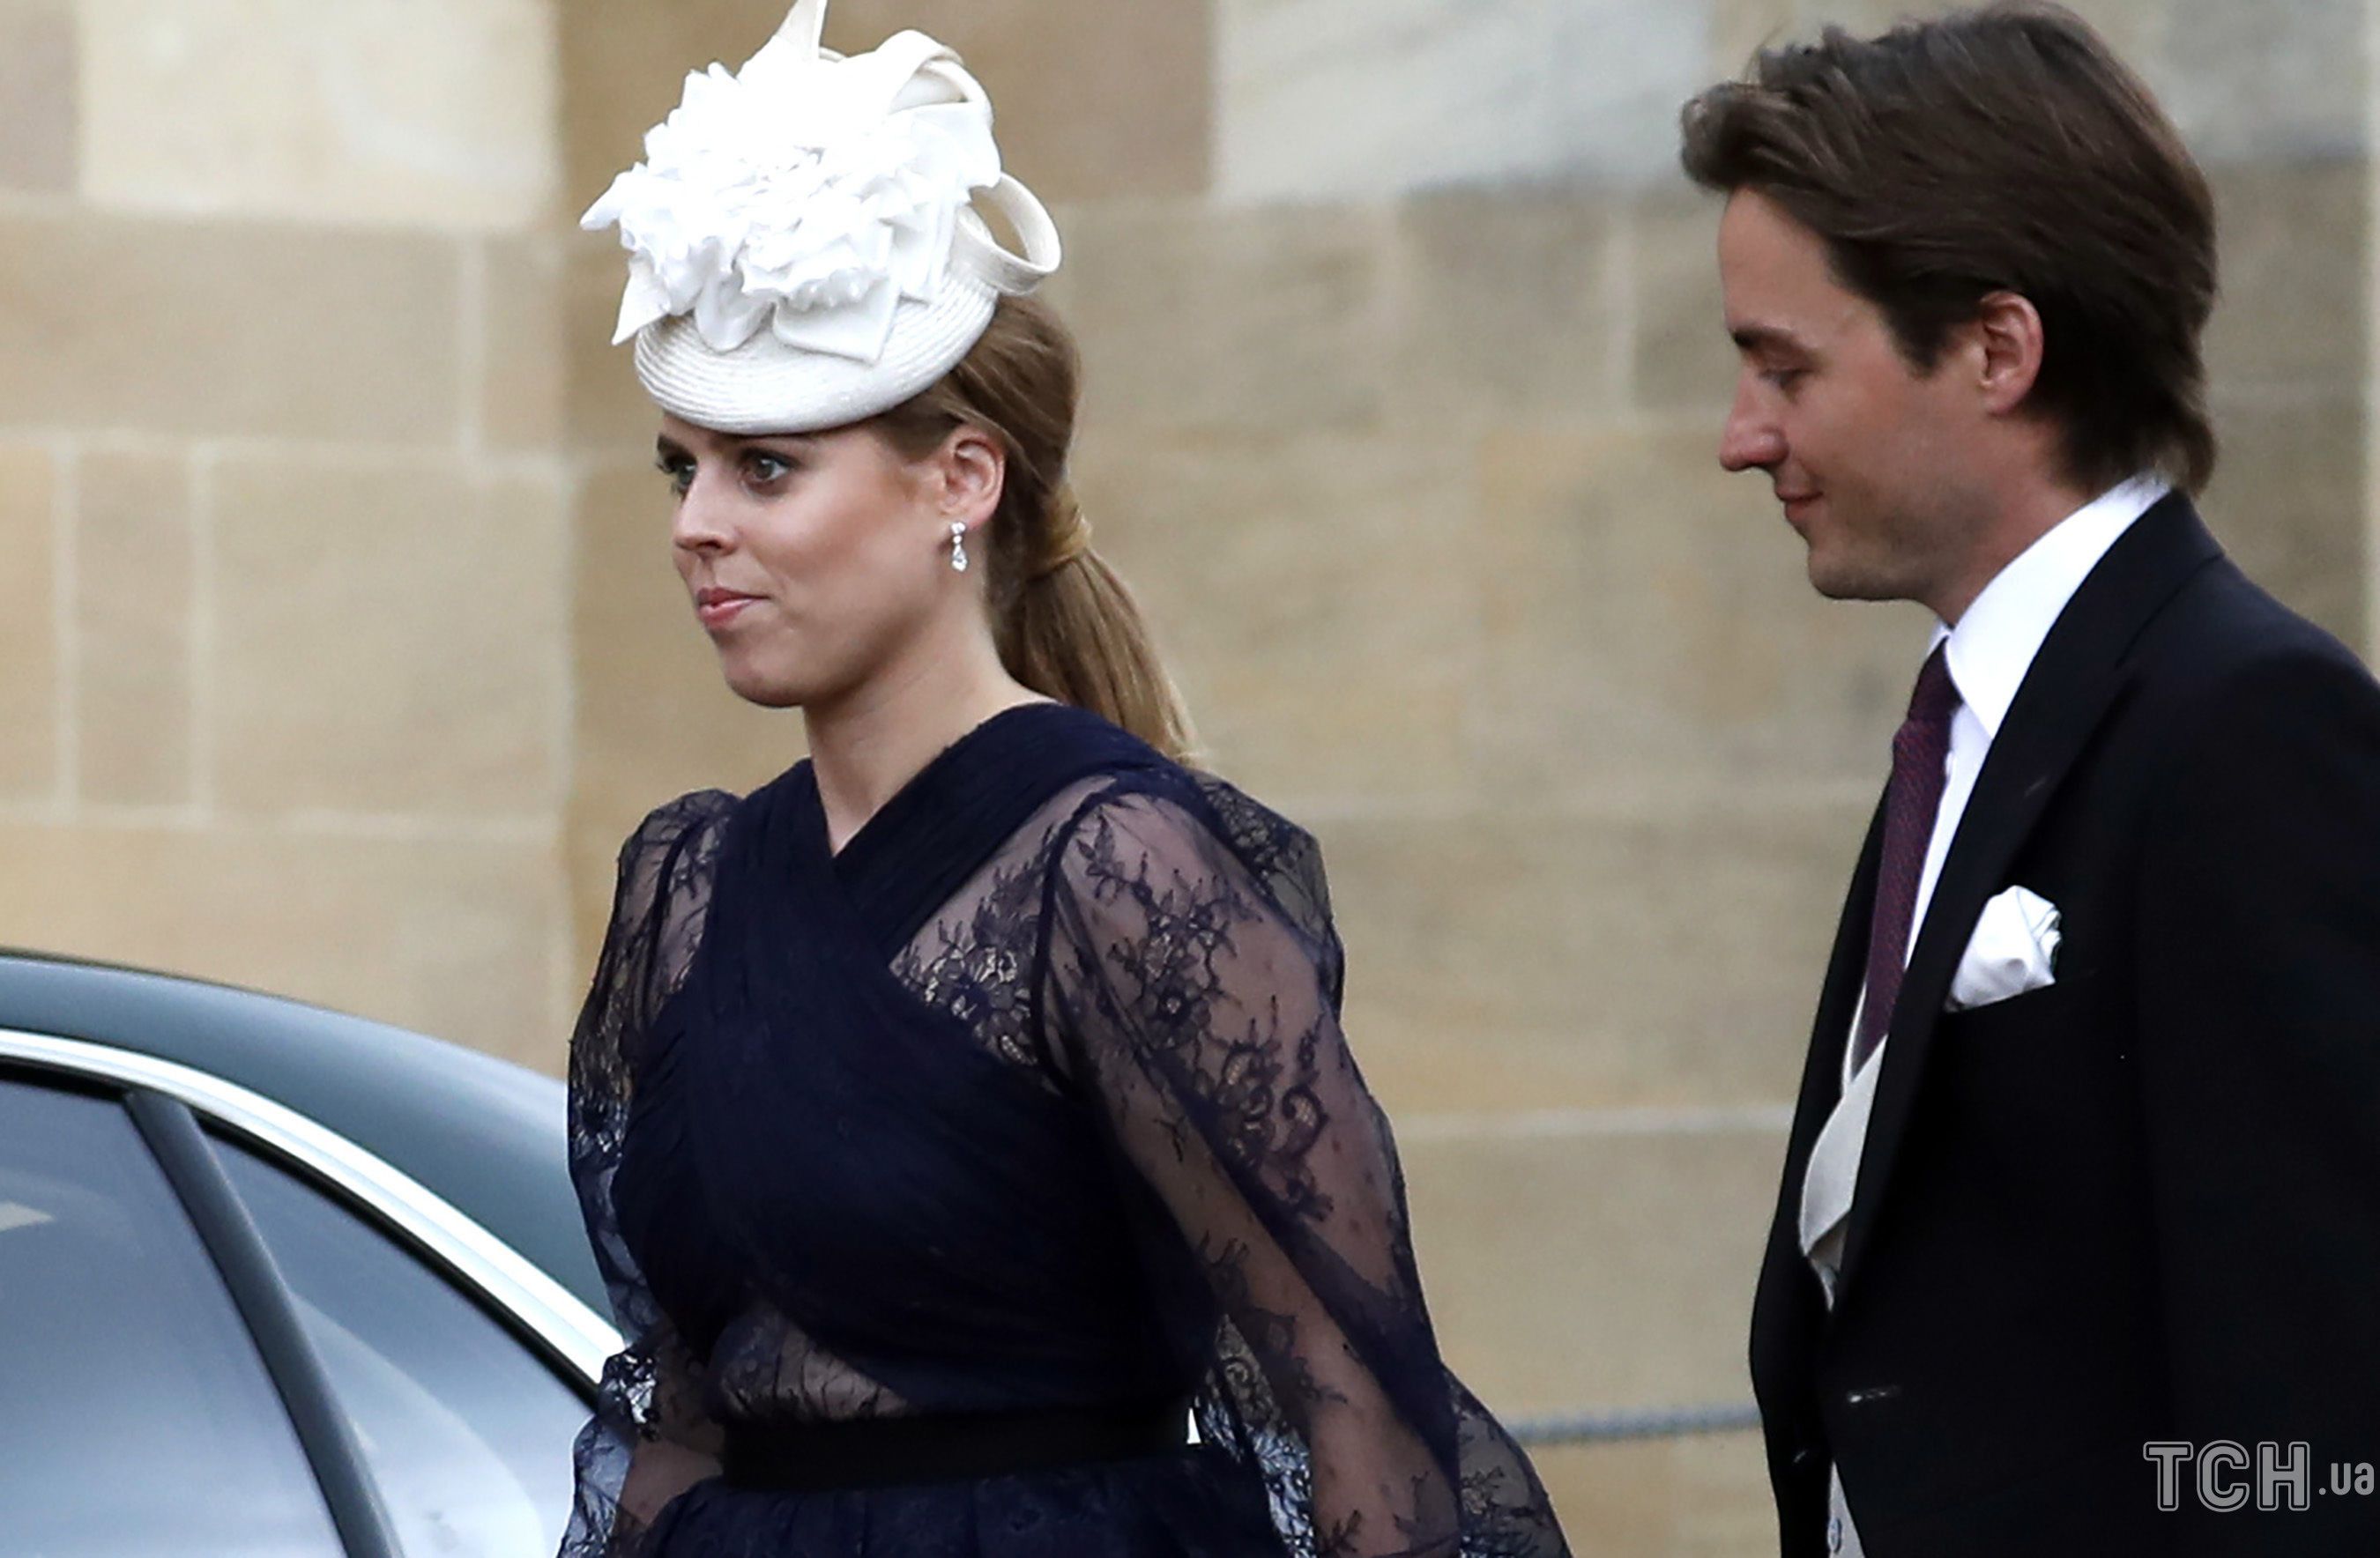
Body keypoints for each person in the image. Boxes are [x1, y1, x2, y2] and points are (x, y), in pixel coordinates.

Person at [559, 4, 1570, 1555]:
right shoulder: (691, 885)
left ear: (960, 480)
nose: (697, 522)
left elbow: (1352, 1395)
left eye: (766, 467)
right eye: (679, 467)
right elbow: (683, 1406)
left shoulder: (1115, 865)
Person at [1681, 5, 2380, 1554]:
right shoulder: (1974, 723)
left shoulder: (2249, 726)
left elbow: (2323, 1427)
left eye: (1785, 368)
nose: (1741, 437)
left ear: (1998, 350)